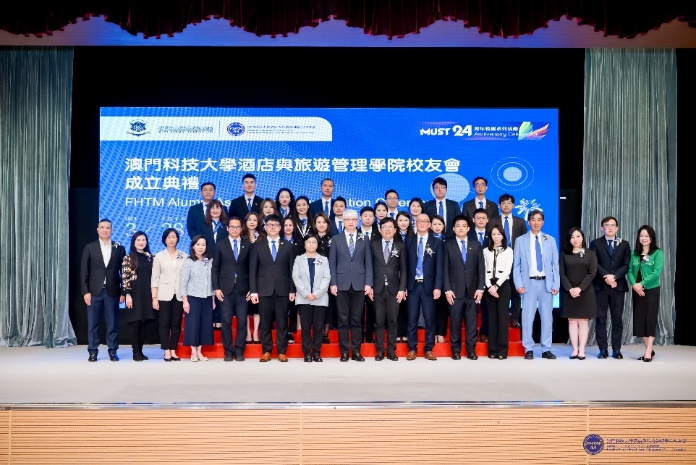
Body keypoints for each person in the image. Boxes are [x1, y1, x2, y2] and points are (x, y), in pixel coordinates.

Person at [512, 209, 560, 360]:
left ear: (543, 222)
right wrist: (518, 283)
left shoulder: (550, 239)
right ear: (529, 222)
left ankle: (546, 348)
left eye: (539, 219)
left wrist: (556, 284)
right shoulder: (520, 240)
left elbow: (554, 264)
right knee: (527, 318)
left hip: (546, 282)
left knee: (547, 318)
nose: (536, 222)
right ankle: (529, 348)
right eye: (533, 219)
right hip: (528, 283)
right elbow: (517, 265)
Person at [249, 214, 296, 362]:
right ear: (265, 227)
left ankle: (282, 351)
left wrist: (292, 290)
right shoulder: (257, 245)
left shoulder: (288, 246)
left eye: (276, 225)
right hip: (264, 290)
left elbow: (292, 270)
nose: (273, 227)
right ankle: (267, 351)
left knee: (282, 322)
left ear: (280, 228)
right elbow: (253, 270)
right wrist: (254, 290)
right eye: (270, 225)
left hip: (283, 290)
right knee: (265, 322)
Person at [329, 209, 374, 362]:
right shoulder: (336, 239)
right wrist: (333, 283)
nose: (350, 222)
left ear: (358, 221)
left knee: (356, 320)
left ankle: (356, 351)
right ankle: (343, 352)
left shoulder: (364, 239)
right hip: (341, 284)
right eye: (347, 219)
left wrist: (368, 283)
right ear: (343, 221)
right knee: (342, 320)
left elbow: (368, 263)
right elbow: (332, 263)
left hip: (359, 284)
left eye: (354, 219)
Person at [80, 219, 126, 362]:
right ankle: (93, 351)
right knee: (93, 324)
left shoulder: (119, 248)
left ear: (112, 230)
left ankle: (113, 351)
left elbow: (124, 272)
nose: (105, 230)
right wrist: (85, 291)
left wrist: (124, 291)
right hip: (94, 292)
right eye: (102, 227)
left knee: (112, 324)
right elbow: (84, 271)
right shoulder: (90, 247)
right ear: (97, 230)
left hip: (112, 291)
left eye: (108, 228)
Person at [443, 215, 485, 360]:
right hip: (454, 291)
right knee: (455, 323)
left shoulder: (476, 245)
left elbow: (481, 269)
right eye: (458, 226)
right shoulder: (447, 245)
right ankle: (455, 350)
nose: (461, 228)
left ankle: (471, 350)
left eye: (463, 226)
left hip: (473, 291)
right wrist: (447, 289)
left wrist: (480, 288)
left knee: (471, 323)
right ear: (454, 229)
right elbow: (444, 269)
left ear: (468, 228)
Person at [589, 216, 631, 359]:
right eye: (607, 225)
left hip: (618, 286)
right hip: (600, 286)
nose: (610, 227)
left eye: (613, 225)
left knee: (617, 319)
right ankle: (602, 349)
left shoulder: (624, 244)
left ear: (617, 228)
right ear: (602, 228)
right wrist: (607, 276)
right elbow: (594, 263)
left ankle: (617, 350)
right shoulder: (595, 243)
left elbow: (626, 264)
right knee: (601, 318)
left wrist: (615, 277)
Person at [212, 217, 251, 362]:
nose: (235, 229)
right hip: (225, 289)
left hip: (242, 289)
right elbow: (215, 268)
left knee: (242, 321)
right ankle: (228, 351)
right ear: (227, 228)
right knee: (226, 321)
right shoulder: (220, 245)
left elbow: (251, 268)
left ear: (241, 229)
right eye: (232, 227)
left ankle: (239, 350)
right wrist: (216, 288)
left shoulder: (247, 245)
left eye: (237, 227)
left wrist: (252, 288)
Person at [405, 213, 443, 361]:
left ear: (429, 224)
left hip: (429, 286)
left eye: (425, 221)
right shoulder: (409, 241)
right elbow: (404, 266)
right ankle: (412, 348)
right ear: (415, 223)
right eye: (418, 221)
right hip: (412, 286)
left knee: (429, 318)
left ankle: (428, 349)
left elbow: (439, 267)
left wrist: (438, 286)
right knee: (412, 318)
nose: (421, 223)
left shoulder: (437, 243)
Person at [370, 217, 407, 361]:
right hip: (378, 289)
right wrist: (370, 286)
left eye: (390, 227)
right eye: (384, 227)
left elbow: (404, 269)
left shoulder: (400, 245)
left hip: (394, 289)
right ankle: (380, 350)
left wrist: (402, 288)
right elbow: (370, 267)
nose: (387, 229)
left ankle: (391, 350)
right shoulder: (373, 245)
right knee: (379, 321)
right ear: (380, 230)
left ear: (395, 230)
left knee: (393, 321)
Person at [627, 225, 664, 363]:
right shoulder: (634, 253)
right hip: (637, 290)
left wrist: (641, 284)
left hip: (651, 289)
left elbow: (656, 273)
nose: (644, 238)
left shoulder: (657, 253)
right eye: (641, 236)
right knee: (640, 319)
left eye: (646, 236)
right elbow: (629, 271)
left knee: (650, 318)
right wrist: (634, 285)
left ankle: (648, 351)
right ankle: (649, 348)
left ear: (651, 238)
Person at [490, 193, 527, 329]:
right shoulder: (493, 221)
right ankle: (502, 316)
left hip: (516, 259)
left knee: (515, 289)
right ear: (499, 206)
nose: (506, 205)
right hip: (499, 261)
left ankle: (515, 317)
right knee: (501, 288)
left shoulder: (520, 221)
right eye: (503, 203)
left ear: (513, 205)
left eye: (509, 203)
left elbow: (524, 242)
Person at [559, 227, 598, 360]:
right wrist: (570, 289)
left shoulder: (590, 254)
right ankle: (574, 349)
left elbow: (592, 273)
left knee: (582, 321)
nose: (575, 239)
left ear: (582, 238)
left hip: (585, 291)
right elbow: (561, 273)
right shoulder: (565, 254)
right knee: (571, 320)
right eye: (572, 237)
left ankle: (582, 349)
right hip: (568, 292)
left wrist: (579, 288)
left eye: (578, 236)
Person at [292, 234, 332, 362]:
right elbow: (296, 277)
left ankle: (316, 352)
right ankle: (307, 353)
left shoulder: (324, 259)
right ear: (304, 245)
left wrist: (316, 294)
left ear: (317, 244)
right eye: (309, 242)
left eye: (314, 242)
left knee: (318, 327)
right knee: (305, 327)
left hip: (319, 298)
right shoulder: (299, 259)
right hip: (304, 298)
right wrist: (306, 293)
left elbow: (327, 278)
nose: (311, 244)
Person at [151, 227, 187, 362]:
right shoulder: (159, 256)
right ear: (164, 239)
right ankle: (166, 351)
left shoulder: (184, 256)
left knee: (176, 324)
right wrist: (154, 297)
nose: (171, 239)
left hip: (179, 294)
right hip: (163, 294)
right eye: (169, 237)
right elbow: (154, 278)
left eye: (174, 236)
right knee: (164, 324)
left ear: (177, 239)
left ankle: (173, 350)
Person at [180, 234, 215, 362]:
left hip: (206, 297)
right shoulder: (189, 262)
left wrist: (212, 300)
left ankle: (200, 351)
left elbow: (211, 281)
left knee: (204, 325)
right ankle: (193, 352)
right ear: (193, 246)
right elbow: (183, 283)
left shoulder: (209, 261)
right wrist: (185, 301)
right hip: (193, 297)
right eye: (198, 244)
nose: (200, 247)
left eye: (203, 245)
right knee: (193, 325)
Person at [121, 231, 155, 361]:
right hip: (134, 294)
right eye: (138, 240)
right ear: (134, 242)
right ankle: (136, 352)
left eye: (143, 240)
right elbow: (125, 278)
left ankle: (140, 351)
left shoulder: (150, 257)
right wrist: (127, 295)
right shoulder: (128, 257)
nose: (141, 242)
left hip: (147, 294)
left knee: (143, 323)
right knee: (135, 324)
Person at [483, 224, 513, 359]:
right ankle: (492, 350)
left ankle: (502, 351)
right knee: (492, 318)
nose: (496, 236)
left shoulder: (508, 250)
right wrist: (490, 286)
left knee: (502, 318)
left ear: (503, 236)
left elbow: (508, 269)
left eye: (499, 234)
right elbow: (482, 270)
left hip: (503, 285)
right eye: (494, 234)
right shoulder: (485, 251)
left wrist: (497, 286)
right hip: (489, 285)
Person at [468, 207, 491, 343]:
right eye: (478, 218)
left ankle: (484, 331)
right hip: (470, 275)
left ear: (487, 220)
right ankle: (471, 334)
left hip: (487, 275)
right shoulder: (468, 234)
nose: (481, 220)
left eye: (483, 218)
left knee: (486, 306)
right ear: (473, 220)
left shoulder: (492, 234)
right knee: (471, 306)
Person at [313, 212, 336, 343]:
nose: (321, 225)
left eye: (324, 222)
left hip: (328, 279)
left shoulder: (333, 239)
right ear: (315, 224)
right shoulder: (310, 238)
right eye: (319, 222)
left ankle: (325, 334)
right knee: (316, 306)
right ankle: (316, 333)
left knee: (328, 307)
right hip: (312, 279)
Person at [283, 215, 305, 343]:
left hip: (297, 278)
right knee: (282, 307)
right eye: (285, 225)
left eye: (290, 225)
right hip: (281, 277)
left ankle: (291, 331)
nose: (288, 227)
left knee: (293, 306)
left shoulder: (299, 242)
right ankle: (283, 330)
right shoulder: (278, 240)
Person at [241, 211, 262, 344]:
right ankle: (248, 334)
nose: (252, 222)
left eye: (255, 220)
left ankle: (255, 333)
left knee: (256, 308)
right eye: (249, 220)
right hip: (243, 275)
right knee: (244, 308)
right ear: (245, 222)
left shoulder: (262, 237)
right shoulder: (240, 237)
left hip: (259, 276)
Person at [395, 211, 414, 342]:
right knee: (396, 306)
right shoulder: (392, 237)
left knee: (408, 307)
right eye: (400, 220)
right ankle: (397, 333)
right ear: (396, 222)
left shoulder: (414, 237)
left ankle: (406, 333)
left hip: (411, 276)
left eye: (406, 220)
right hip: (395, 277)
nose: (403, 223)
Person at [430, 214, 449, 343]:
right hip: (431, 278)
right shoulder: (427, 240)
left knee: (443, 307)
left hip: (446, 277)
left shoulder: (448, 240)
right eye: (435, 224)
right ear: (430, 225)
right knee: (431, 308)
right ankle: (431, 332)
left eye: (440, 224)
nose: (437, 227)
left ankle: (441, 332)